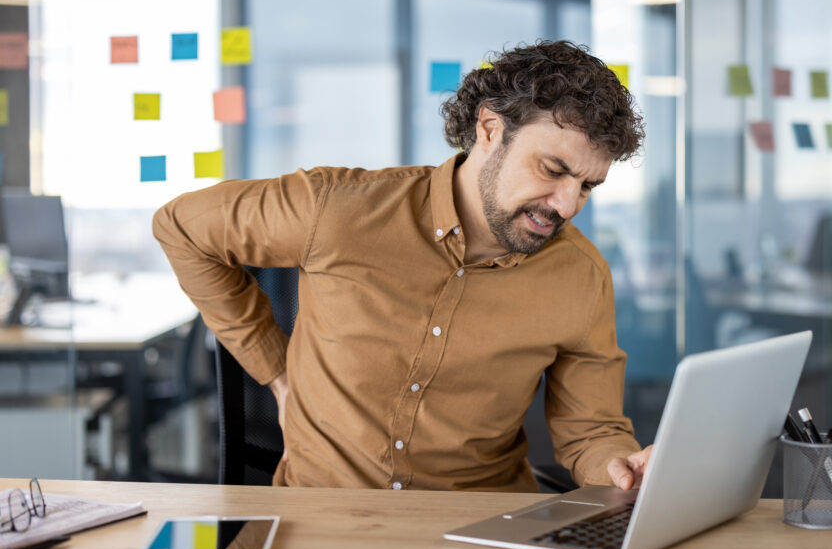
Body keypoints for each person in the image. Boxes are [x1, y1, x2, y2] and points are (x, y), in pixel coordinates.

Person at [153, 40, 652, 492]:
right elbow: (182, 226)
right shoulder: (341, 209)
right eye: (553, 170)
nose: (567, 205)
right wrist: (277, 373)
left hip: (480, 534)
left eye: (587, 186)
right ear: (489, 129)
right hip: (326, 526)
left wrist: (619, 466)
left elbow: (591, 431)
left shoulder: (581, 276)